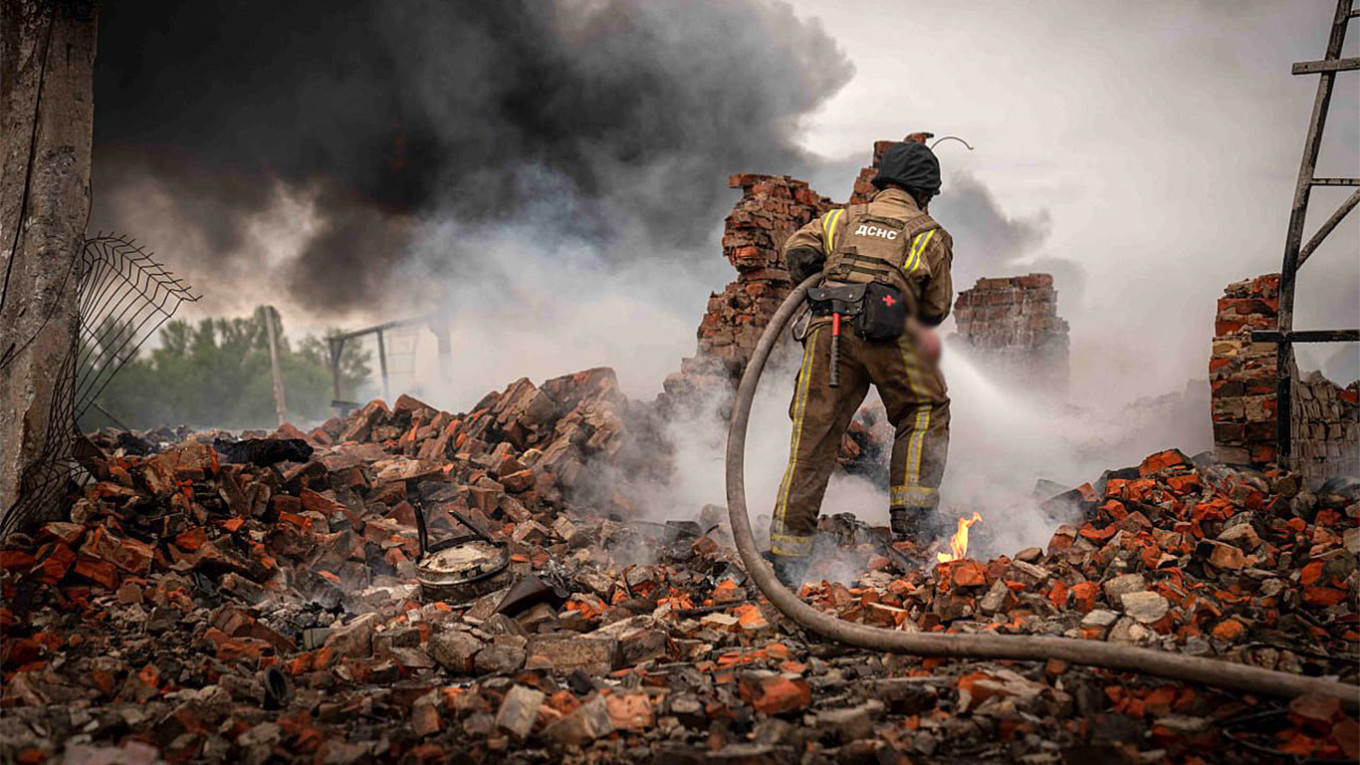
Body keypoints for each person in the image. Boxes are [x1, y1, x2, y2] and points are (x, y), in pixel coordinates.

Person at [765, 135, 953, 586]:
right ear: (924, 193)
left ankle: (787, 555)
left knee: (813, 437)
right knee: (924, 408)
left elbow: (797, 249)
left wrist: (825, 284)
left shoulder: (841, 219)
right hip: (891, 337)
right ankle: (912, 517)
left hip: (827, 335)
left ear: (883, 182)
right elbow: (934, 310)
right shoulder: (928, 234)